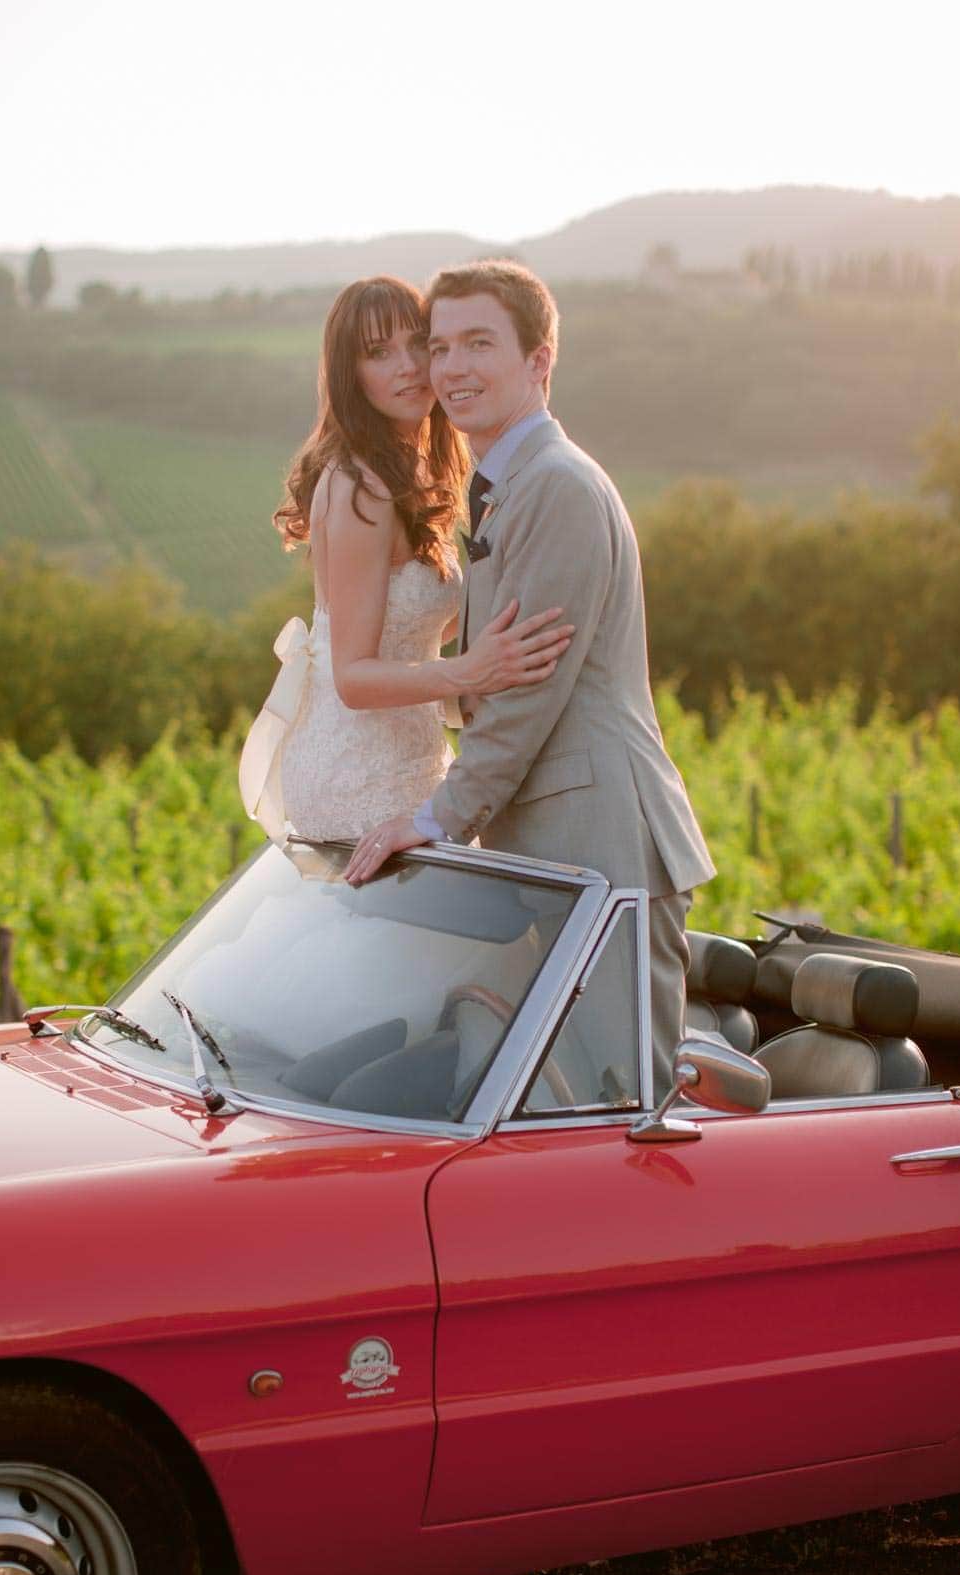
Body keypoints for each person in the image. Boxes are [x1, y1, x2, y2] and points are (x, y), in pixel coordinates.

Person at [344, 261, 715, 1089]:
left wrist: (439, 817)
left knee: (621, 1099)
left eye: (480, 343)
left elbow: (526, 696)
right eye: (441, 347)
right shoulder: (509, 486)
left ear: (540, 362)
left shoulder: (558, 487)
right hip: (553, 851)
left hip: (602, 846)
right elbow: (494, 678)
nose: (453, 368)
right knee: (548, 1104)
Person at [238, 275, 575, 843]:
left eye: (419, 344)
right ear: (351, 375)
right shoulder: (359, 486)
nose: (409, 367)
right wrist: (470, 670)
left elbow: (416, 623)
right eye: (378, 353)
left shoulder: (416, 472)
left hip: (409, 752)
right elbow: (353, 678)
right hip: (358, 770)